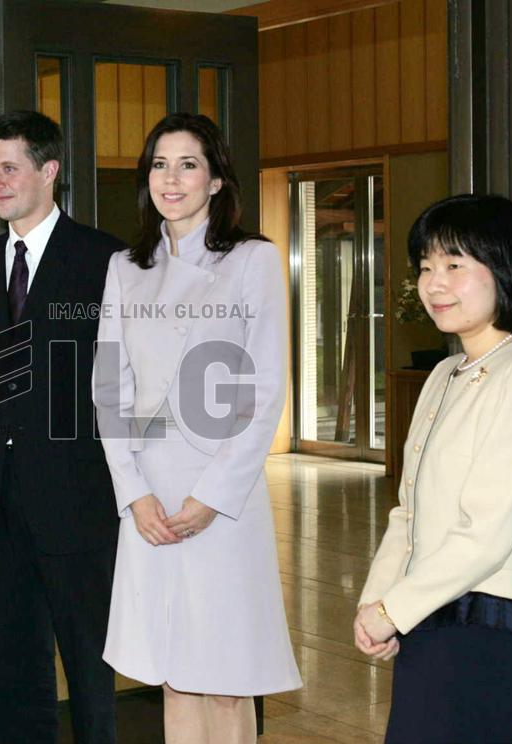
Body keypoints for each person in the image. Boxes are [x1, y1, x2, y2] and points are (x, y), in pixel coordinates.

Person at [93, 113, 301, 743]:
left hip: (221, 499)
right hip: (150, 499)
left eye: (188, 164)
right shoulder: (126, 267)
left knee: (226, 676)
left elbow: (265, 390)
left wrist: (212, 497)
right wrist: (133, 493)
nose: (172, 178)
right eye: (159, 164)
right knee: (173, 674)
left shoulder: (251, 259)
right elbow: (110, 388)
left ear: (216, 181)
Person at [353, 194, 512, 744]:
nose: (433, 283)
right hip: (430, 616)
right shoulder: (446, 372)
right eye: (425, 267)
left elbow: (486, 535)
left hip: (487, 626)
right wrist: (375, 603)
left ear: (505, 271)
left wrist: (394, 610)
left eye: (454, 266)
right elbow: (409, 512)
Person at [0, 111, 125, 743]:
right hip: (0, 499)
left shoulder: (105, 258)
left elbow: (125, 381)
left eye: (9, 167)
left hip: (79, 497)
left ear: (49, 169)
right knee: (12, 668)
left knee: (89, 667)